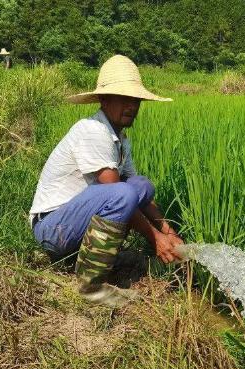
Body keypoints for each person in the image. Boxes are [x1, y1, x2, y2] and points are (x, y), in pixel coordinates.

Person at [29, 55, 184, 306]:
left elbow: (135, 193)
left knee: (142, 186)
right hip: (53, 228)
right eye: (124, 98)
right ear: (103, 99)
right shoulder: (92, 131)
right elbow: (117, 194)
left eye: (135, 99)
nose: (131, 105)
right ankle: (91, 288)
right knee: (122, 193)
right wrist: (155, 239)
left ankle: (96, 258)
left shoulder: (120, 139)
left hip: (74, 223)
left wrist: (169, 231)